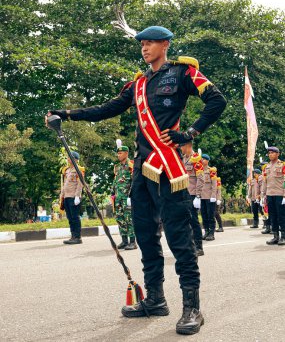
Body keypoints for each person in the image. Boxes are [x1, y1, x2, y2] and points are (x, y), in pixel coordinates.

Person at [47, 25, 226, 335]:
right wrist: (66, 113)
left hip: (170, 170)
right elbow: (107, 109)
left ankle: (191, 308)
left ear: (166, 44)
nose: (145, 48)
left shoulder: (184, 74)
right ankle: (155, 299)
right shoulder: (138, 85)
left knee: (179, 239)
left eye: (151, 42)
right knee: (145, 236)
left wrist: (190, 133)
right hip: (142, 171)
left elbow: (217, 101)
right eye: (142, 43)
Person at [181, 142, 204, 256]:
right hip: (184, 193)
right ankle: (190, 245)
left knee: (194, 221)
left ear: (187, 146)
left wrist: (198, 196)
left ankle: (199, 247)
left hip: (193, 194)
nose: (181, 148)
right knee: (186, 221)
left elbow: (201, 178)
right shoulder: (183, 159)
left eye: (182, 146)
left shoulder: (196, 159)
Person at [112, 143, 137, 250]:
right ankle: (124, 240)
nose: (118, 155)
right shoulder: (117, 167)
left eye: (120, 153)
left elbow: (134, 181)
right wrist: (113, 194)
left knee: (129, 219)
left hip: (127, 198)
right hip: (118, 197)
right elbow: (115, 181)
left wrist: (131, 196)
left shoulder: (131, 164)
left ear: (126, 153)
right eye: (117, 153)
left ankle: (132, 242)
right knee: (120, 218)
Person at [261, 147, 285, 245]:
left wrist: (284, 195)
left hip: (280, 194)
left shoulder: (283, 165)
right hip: (270, 194)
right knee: (273, 216)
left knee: (281, 216)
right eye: (269, 153)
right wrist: (263, 195)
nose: (270, 154)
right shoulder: (266, 167)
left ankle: (283, 236)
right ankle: (275, 236)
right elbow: (264, 182)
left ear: (277, 154)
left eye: (272, 153)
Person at [60, 151, 85, 245]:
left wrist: (77, 196)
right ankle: (73, 236)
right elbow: (65, 184)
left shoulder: (79, 169)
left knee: (75, 217)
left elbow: (80, 183)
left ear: (75, 159)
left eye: (70, 157)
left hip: (73, 197)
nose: (68, 159)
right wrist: (62, 195)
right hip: (66, 196)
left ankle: (78, 237)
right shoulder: (67, 170)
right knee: (70, 218)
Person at [200, 154, 218, 241]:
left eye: (203, 159)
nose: (202, 160)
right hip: (202, 197)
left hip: (210, 196)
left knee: (210, 215)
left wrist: (214, 196)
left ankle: (211, 233)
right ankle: (206, 231)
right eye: (201, 159)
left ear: (207, 161)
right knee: (204, 215)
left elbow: (214, 184)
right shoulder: (198, 170)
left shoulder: (211, 170)